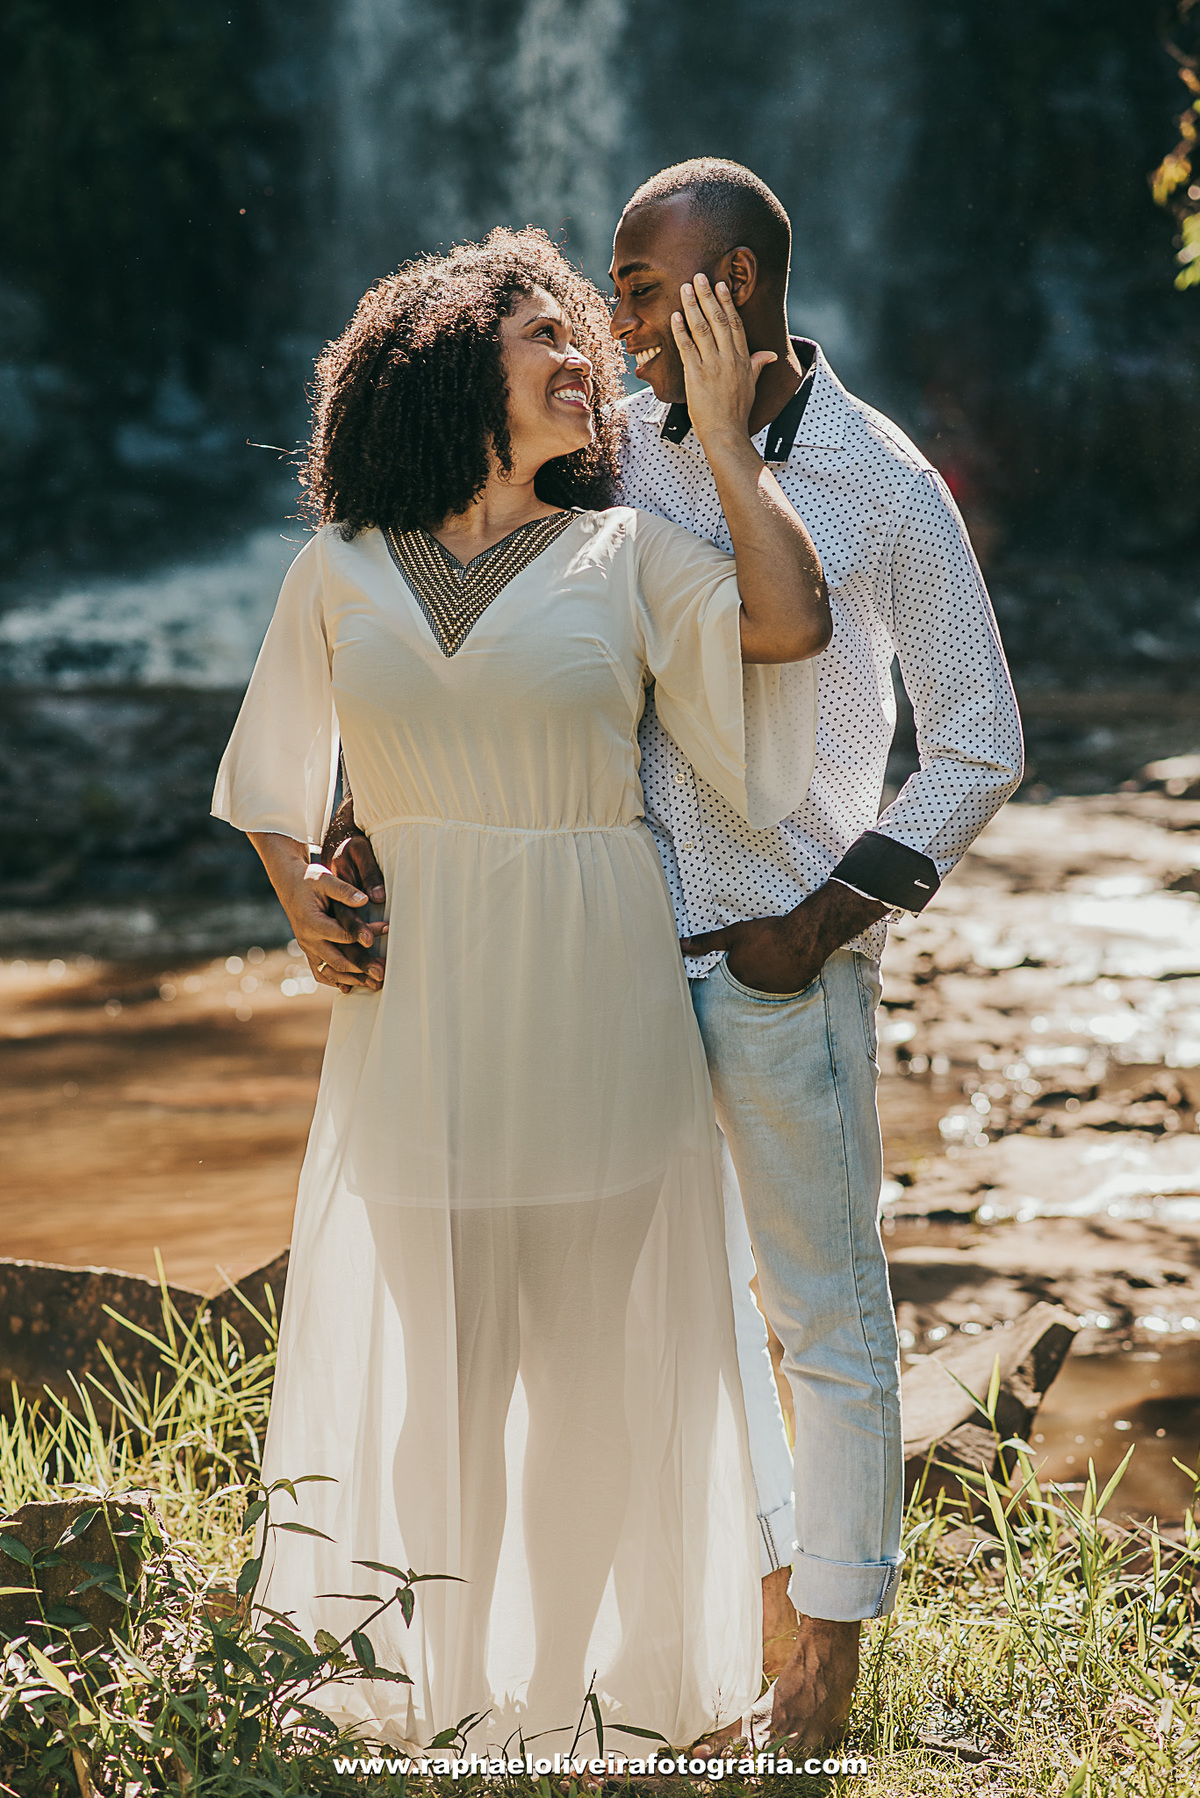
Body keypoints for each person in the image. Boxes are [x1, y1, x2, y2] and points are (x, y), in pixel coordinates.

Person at [324, 161, 1024, 1752]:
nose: (611, 321)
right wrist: (365, 819)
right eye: (618, 293)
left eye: (643, 291)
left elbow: (981, 743)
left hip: (782, 973)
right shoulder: (608, 450)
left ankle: (823, 1690)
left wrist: (821, 922)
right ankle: (727, 1642)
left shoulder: (886, 484)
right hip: (606, 977)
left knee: (821, 1318)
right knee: (673, 1320)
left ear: (746, 291)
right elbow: (481, 632)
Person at [211, 226, 831, 1754]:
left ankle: (564, 1698)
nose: (589, 362)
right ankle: (449, 1687)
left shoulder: (634, 556)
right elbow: (272, 782)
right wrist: (304, 898)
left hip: (598, 986)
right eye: (545, 334)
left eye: (588, 340)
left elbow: (791, 625)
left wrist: (737, 454)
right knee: (450, 1370)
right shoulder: (338, 569)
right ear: (446, 357)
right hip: (418, 1012)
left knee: (588, 1371)